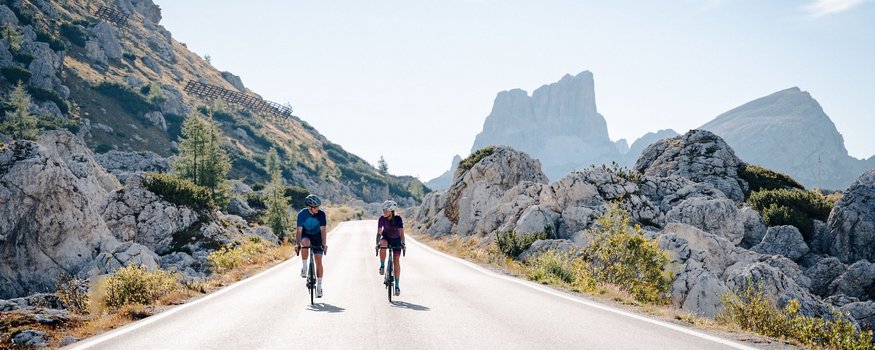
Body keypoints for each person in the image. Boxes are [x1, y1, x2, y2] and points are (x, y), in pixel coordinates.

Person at [296, 194, 327, 298]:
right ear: (309, 207)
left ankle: (319, 287)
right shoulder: (302, 214)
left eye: (318, 206)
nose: (317, 208)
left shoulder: (321, 214)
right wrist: (297, 244)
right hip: (306, 235)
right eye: (315, 207)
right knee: (305, 242)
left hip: (317, 237)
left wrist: (324, 244)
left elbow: (323, 230)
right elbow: (299, 231)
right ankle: (304, 267)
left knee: (318, 260)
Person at [376, 200, 405, 296]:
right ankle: (383, 265)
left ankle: (397, 285)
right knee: (383, 243)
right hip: (386, 238)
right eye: (383, 210)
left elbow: (401, 234)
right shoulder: (381, 219)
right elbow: (379, 233)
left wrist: (403, 244)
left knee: (396, 260)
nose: (384, 211)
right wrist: (377, 244)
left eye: (386, 210)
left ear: (392, 210)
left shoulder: (398, 219)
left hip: (396, 240)